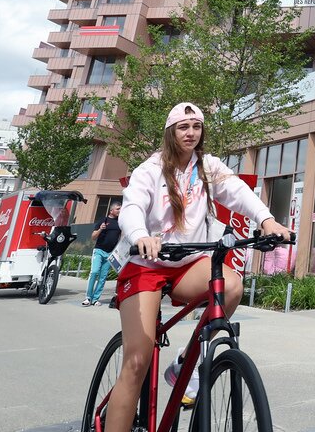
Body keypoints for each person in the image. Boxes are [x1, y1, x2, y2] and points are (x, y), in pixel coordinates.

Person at [107, 102, 290, 430]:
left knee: (231, 286)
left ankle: (185, 366)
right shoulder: (150, 169)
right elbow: (131, 207)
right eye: (183, 126)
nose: (190, 132)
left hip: (188, 262)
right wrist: (140, 235)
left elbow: (237, 193)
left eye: (196, 126)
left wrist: (267, 219)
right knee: (137, 361)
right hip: (145, 264)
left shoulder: (208, 167)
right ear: (170, 132)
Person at [81, 202, 122, 306]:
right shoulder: (103, 220)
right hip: (99, 250)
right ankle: (88, 298)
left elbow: (121, 237)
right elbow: (93, 237)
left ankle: (95, 299)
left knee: (103, 277)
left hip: (110, 253)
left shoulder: (120, 222)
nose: (119, 211)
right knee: (94, 272)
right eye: (118, 209)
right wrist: (100, 229)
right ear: (111, 210)